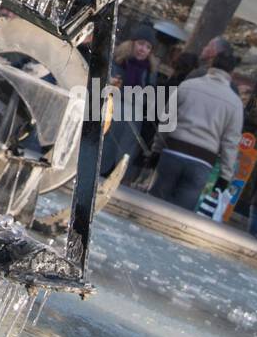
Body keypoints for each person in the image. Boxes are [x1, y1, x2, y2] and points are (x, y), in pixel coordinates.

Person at [150, 45, 244, 212]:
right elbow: (230, 142)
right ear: (231, 73)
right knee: (182, 213)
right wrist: (224, 176)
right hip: (202, 161)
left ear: (211, 65)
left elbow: (166, 121)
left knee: (154, 206)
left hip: (173, 150)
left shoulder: (188, 85)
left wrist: (156, 150)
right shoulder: (235, 103)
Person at [101, 25, 159, 182]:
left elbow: (149, 98)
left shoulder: (150, 72)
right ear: (132, 43)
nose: (143, 49)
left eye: (148, 47)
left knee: (121, 155)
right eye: (141, 43)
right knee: (103, 151)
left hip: (132, 121)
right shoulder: (117, 62)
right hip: (111, 114)